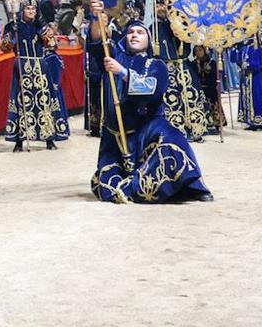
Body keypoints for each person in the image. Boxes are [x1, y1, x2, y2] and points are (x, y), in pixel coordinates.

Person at [90, 13, 213, 204]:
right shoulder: (113, 56)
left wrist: (122, 72)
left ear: (149, 40)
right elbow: (99, 41)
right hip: (117, 134)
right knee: (107, 180)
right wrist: (96, 17)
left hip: (148, 127)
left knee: (174, 138)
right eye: (130, 32)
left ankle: (191, 186)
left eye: (140, 32)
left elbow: (152, 89)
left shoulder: (156, 64)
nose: (134, 35)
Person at [4, 0, 68, 152]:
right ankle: (19, 140)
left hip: (40, 65)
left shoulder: (41, 24)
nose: (31, 11)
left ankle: (49, 138)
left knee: (45, 100)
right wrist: (12, 35)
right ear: (22, 9)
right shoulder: (13, 25)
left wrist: (44, 31)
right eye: (28, 9)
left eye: (33, 9)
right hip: (22, 66)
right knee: (21, 100)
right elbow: (4, 47)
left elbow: (52, 44)